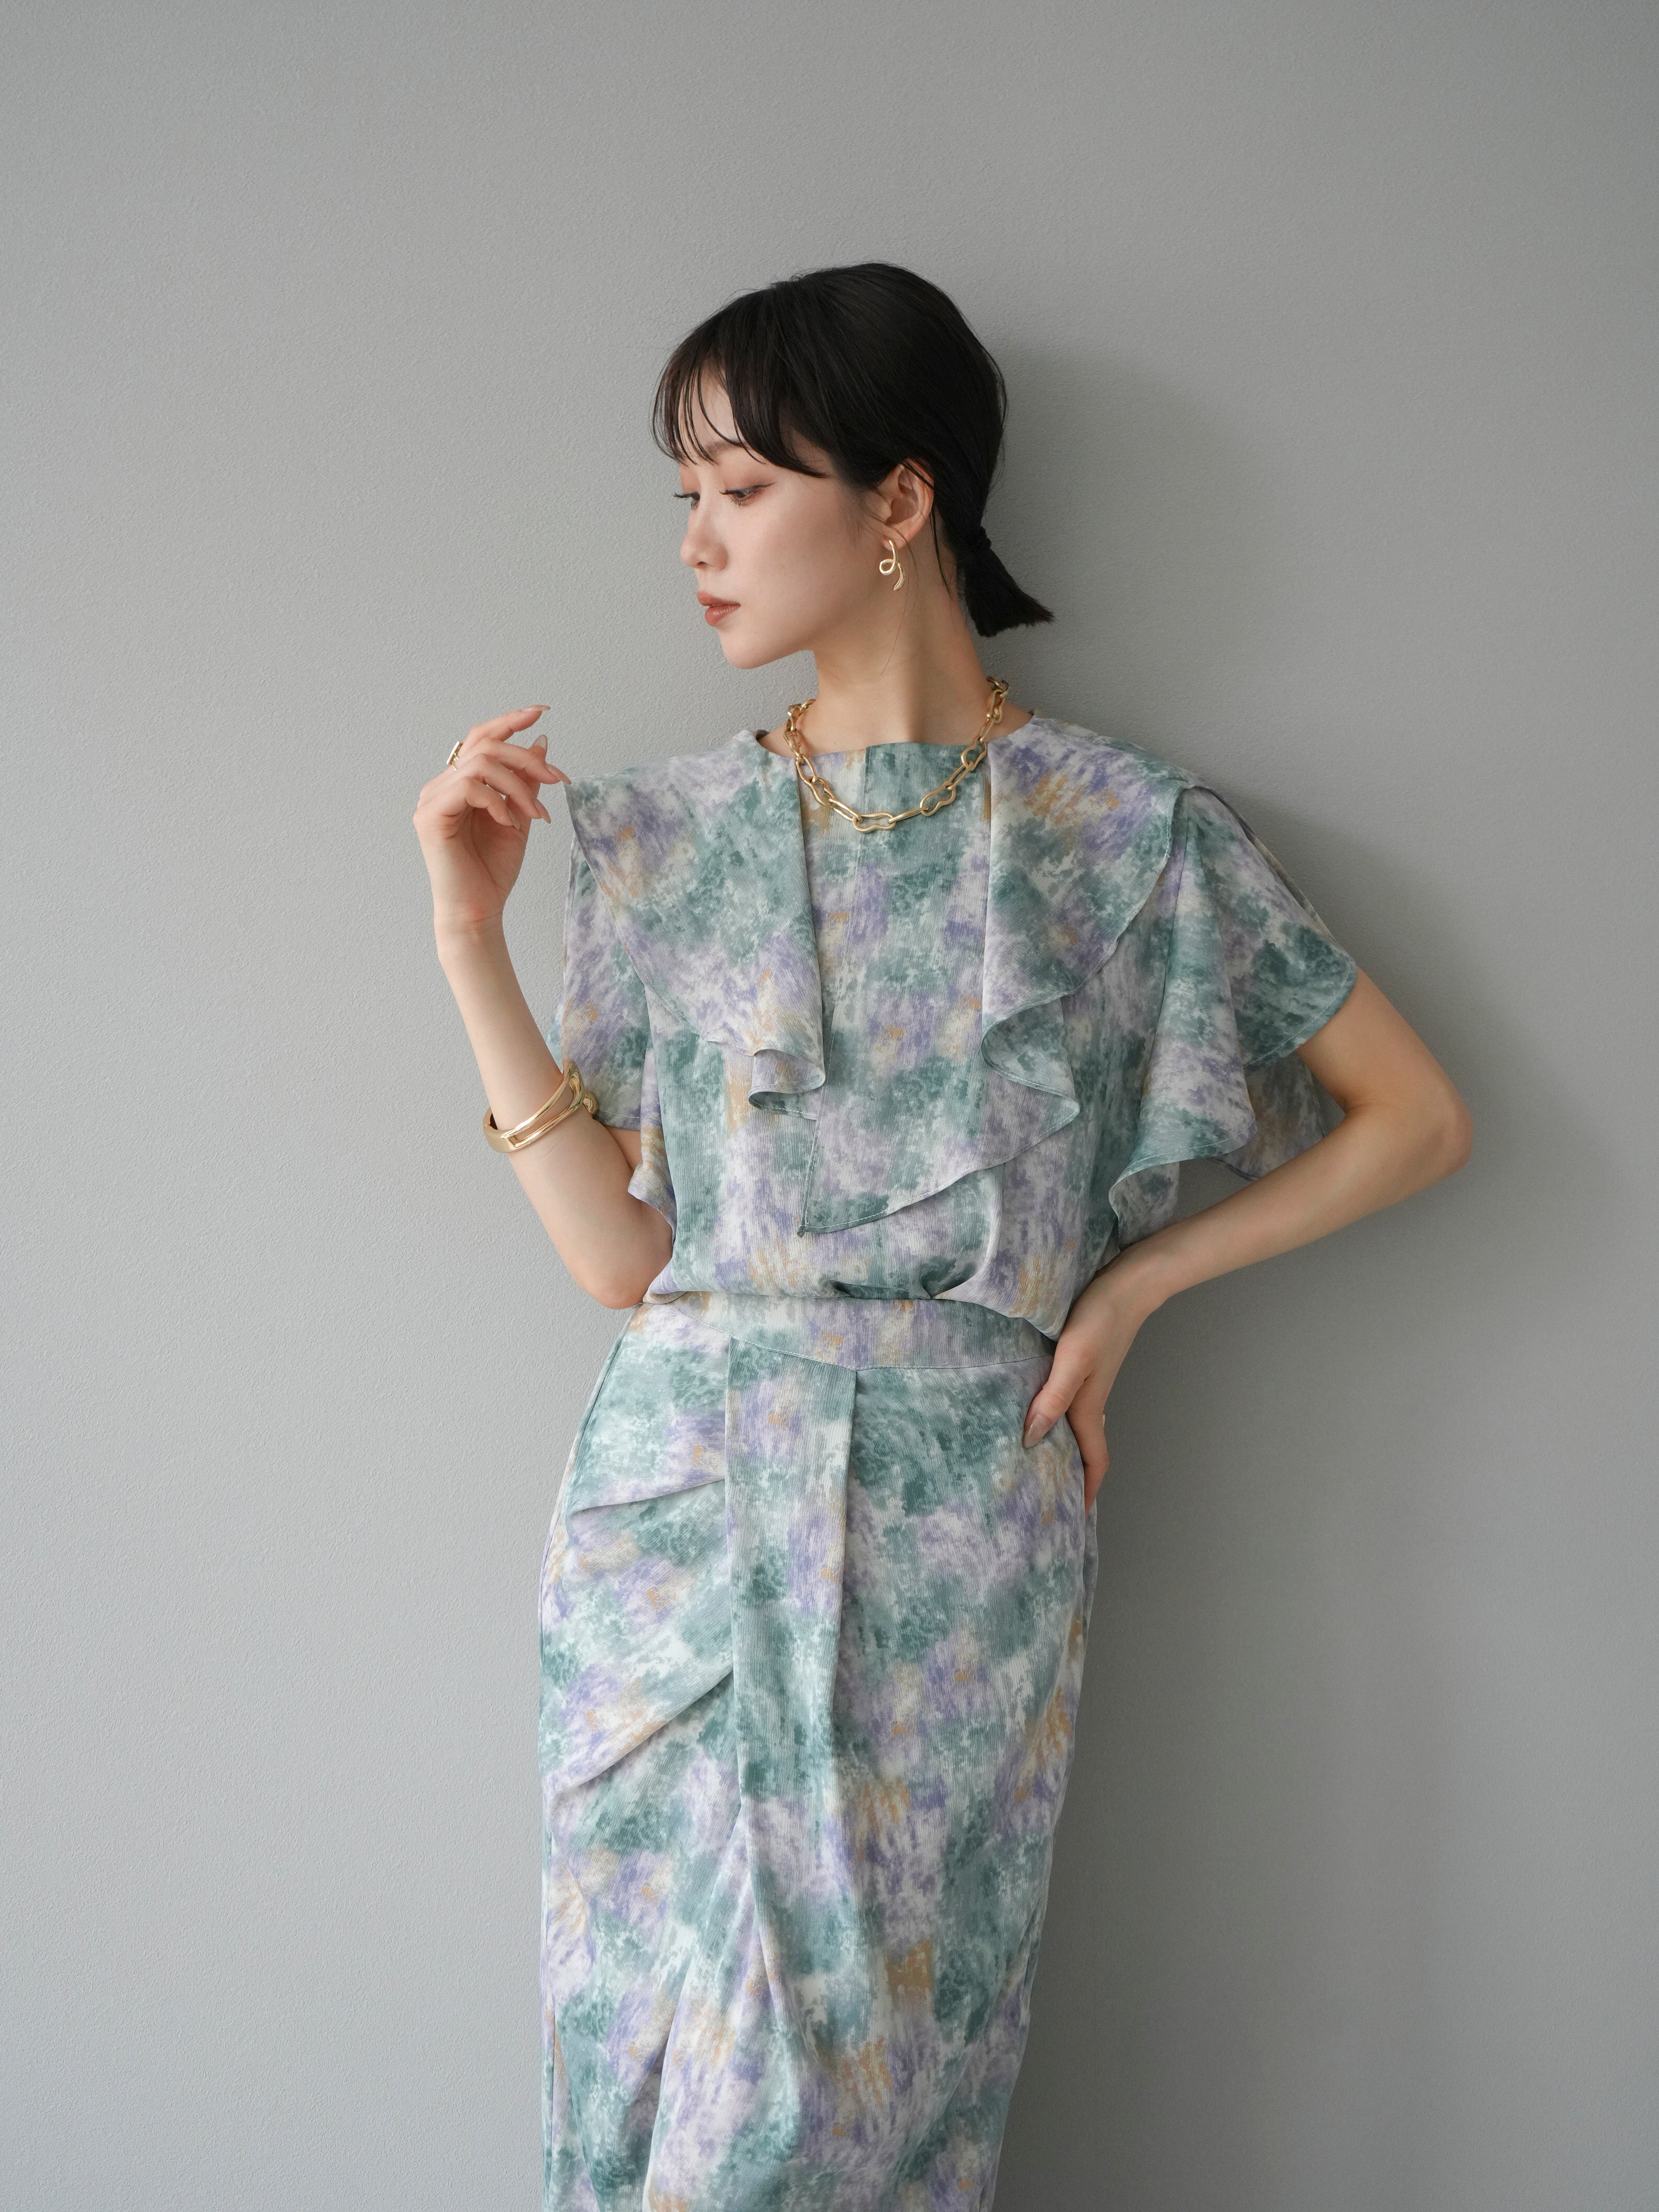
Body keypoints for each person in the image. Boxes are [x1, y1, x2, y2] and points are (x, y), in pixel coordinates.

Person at [412, 262, 1472, 2212]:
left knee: (853, 2110)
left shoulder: (1123, 832)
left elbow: (1416, 1118)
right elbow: (625, 1267)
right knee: (637, 2094)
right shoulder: (657, 840)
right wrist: (471, 939)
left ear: (899, 500)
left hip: (959, 1531)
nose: (698, 543)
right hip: (672, 1519)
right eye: (685, 498)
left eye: (743, 490)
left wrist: (1139, 1282)